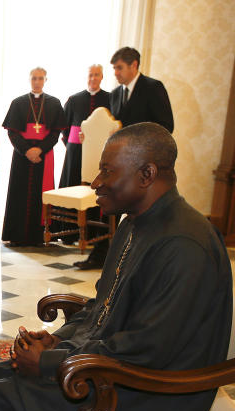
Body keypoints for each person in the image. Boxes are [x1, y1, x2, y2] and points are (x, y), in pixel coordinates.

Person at [0, 123, 232, 411]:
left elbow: (149, 350)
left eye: (107, 170)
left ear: (147, 174)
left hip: (153, 393)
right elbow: (102, 308)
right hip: (112, 366)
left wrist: (48, 363)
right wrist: (58, 343)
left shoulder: (183, 245)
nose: (96, 182)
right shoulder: (136, 222)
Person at [76, 47, 174, 269]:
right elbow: (113, 126)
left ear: (134, 65)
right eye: (114, 68)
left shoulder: (152, 87)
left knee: (136, 211)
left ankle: (134, 257)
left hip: (143, 165)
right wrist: (90, 134)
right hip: (121, 164)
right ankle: (102, 255)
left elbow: (166, 125)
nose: (116, 73)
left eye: (119, 68)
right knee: (108, 205)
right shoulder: (117, 93)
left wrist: (139, 143)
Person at [1, 67, 66, 246]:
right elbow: (12, 133)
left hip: (43, 156)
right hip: (22, 156)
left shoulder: (54, 103)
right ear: (29, 80)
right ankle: (17, 234)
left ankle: (38, 236)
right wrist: (27, 151)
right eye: (34, 78)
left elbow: (55, 133)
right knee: (19, 194)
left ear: (46, 80)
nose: (37, 82)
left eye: (40, 78)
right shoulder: (18, 102)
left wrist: (40, 150)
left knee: (40, 195)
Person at [56, 64, 111, 244]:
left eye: (97, 75)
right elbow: (64, 128)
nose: (93, 78)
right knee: (71, 188)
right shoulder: (74, 99)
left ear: (102, 77)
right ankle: (69, 234)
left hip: (100, 156)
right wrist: (73, 143)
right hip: (75, 155)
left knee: (95, 192)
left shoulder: (110, 99)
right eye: (90, 75)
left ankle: (94, 235)